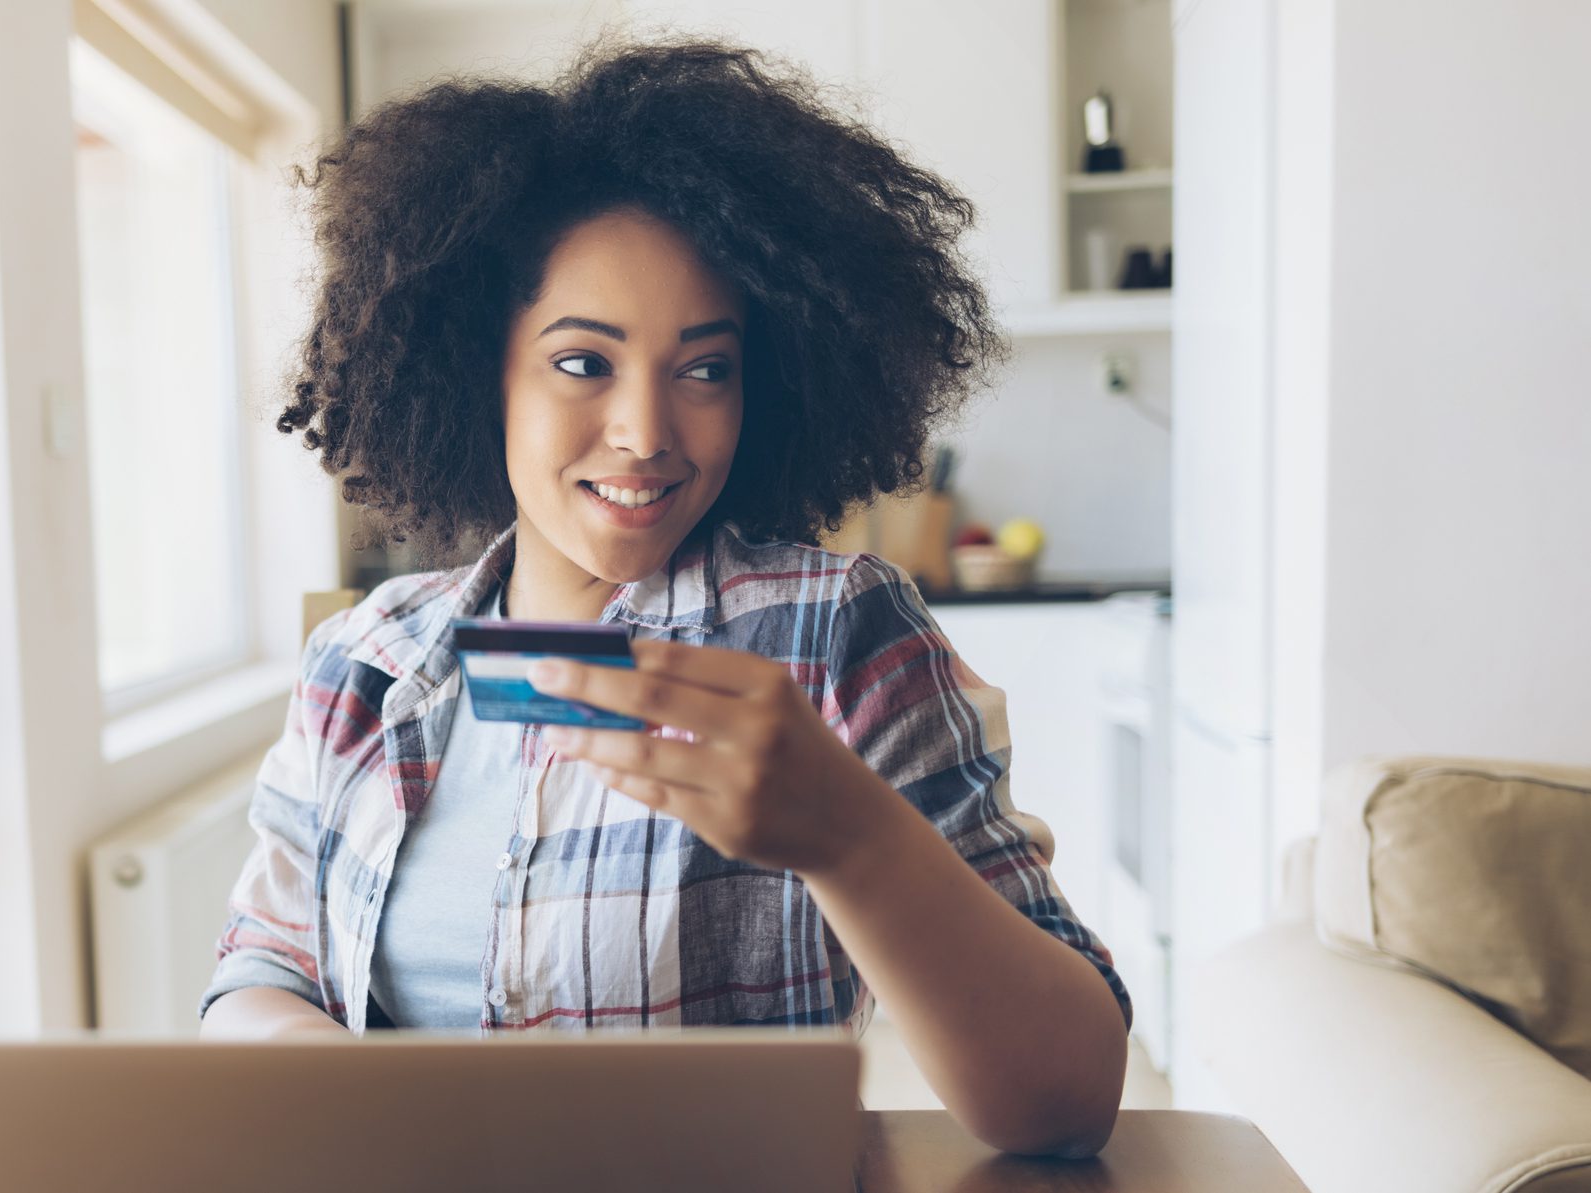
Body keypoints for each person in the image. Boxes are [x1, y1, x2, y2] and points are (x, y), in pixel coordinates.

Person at [198, 38, 1130, 1157]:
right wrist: (344, 1087)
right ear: (478, 370)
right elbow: (260, 970)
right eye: (582, 362)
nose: (645, 432)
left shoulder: (835, 629)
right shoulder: (365, 655)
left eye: (704, 369)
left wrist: (852, 838)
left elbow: (1070, 1103)